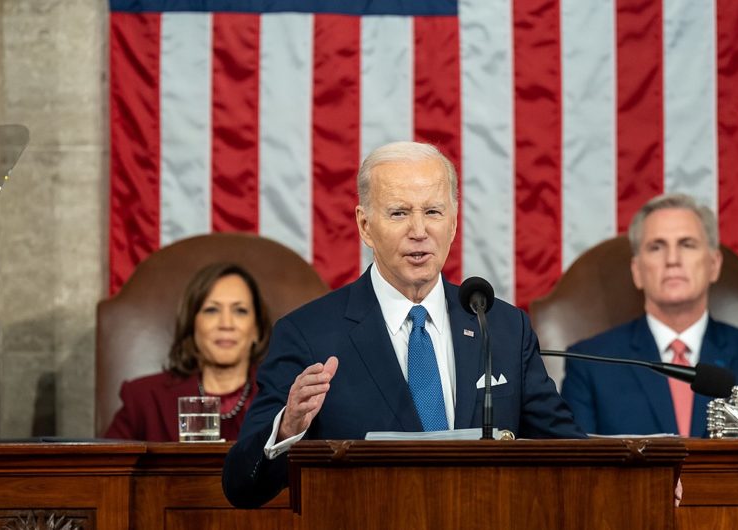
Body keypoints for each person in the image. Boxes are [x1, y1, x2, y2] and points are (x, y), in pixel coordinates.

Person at [222, 141, 585, 508]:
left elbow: (573, 457)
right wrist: (288, 428)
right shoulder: (309, 335)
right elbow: (242, 487)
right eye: (399, 213)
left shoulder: (503, 327)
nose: (419, 230)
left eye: (433, 211)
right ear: (365, 226)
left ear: (454, 221)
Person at [561, 193, 738, 437]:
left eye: (687, 244)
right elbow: (578, 468)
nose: (672, 260)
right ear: (637, 271)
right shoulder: (589, 363)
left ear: (714, 265)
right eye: (656, 247)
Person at [103, 262, 271, 442]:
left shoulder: (281, 399)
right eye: (211, 310)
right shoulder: (144, 399)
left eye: (240, 311)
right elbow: (105, 466)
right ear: (192, 324)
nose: (226, 324)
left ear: (256, 329)